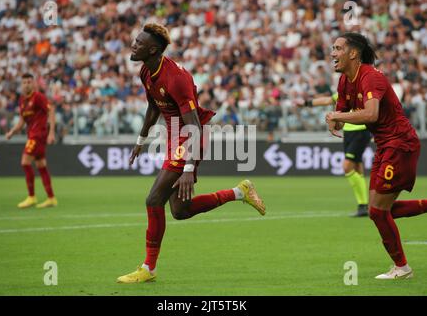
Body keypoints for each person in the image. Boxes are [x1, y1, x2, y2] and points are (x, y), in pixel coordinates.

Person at [117, 23, 266, 284]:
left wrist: (187, 168)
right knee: (180, 210)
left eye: (139, 43)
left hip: (189, 136)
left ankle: (148, 268)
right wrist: (141, 139)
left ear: (153, 49)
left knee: (153, 200)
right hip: (174, 134)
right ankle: (239, 192)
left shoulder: (176, 77)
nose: (133, 45)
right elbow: (153, 107)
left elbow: (194, 126)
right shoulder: (146, 71)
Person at [326, 32, 427, 279]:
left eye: (338, 48)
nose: (332, 53)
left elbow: (370, 114)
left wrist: (337, 117)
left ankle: (402, 268)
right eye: (333, 48)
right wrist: (334, 121)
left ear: (353, 53)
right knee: (378, 210)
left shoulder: (371, 77)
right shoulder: (344, 82)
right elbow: (341, 115)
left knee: (378, 212)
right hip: (385, 145)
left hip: (400, 144)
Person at [300, 93, 371, 217]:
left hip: (361, 130)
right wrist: (307, 103)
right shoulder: (343, 92)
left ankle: (363, 205)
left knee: (347, 166)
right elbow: (327, 100)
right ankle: (364, 205)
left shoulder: (361, 91)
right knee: (357, 168)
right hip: (348, 132)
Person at [6, 73, 58, 209]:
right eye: (24, 82)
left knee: (25, 162)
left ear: (34, 83)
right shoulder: (22, 100)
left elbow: (51, 110)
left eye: (29, 82)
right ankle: (51, 198)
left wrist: (51, 132)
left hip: (38, 135)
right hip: (32, 135)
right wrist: (12, 132)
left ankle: (31, 197)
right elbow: (22, 121)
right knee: (41, 165)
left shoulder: (38, 97)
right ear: (21, 85)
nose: (27, 84)